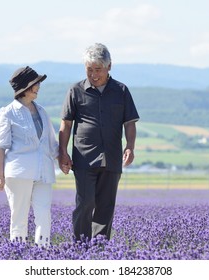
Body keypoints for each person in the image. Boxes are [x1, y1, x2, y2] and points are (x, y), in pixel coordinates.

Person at [58, 43, 139, 241]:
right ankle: (79, 246)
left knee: (106, 206)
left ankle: (100, 250)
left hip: (111, 158)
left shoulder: (121, 90)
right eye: (89, 70)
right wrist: (63, 152)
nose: (94, 75)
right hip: (84, 158)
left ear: (109, 66)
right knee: (85, 203)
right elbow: (66, 124)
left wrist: (130, 146)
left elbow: (129, 123)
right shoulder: (75, 91)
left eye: (98, 70)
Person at [0, 66, 58, 246]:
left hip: (44, 171)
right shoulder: (8, 112)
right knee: (19, 217)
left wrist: (63, 159)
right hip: (19, 172)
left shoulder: (42, 111)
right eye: (35, 84)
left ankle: (42, 253)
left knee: (44, 214)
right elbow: (0, 145)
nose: (38, 87)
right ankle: (17, 254)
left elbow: (52, 143)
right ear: (26, 88)